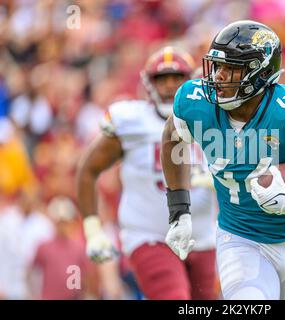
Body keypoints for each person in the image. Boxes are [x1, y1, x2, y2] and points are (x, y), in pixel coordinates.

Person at [161, 20, 285, 300]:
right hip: (239, 237)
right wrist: (179, 210)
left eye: (231, 68)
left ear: (261, 74)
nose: (218, 76)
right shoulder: (195, 102)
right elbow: (172, 137)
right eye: (218, 66)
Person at [76, 46, 217, 300]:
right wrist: (93, 229)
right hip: (150, 236)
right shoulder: (131, 120)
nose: (170, 86)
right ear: (148, 83)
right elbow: (88, 170)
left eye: (177, 78)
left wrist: (220, 181)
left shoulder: (212, 118)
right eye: (162, 79)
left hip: (204, 236)